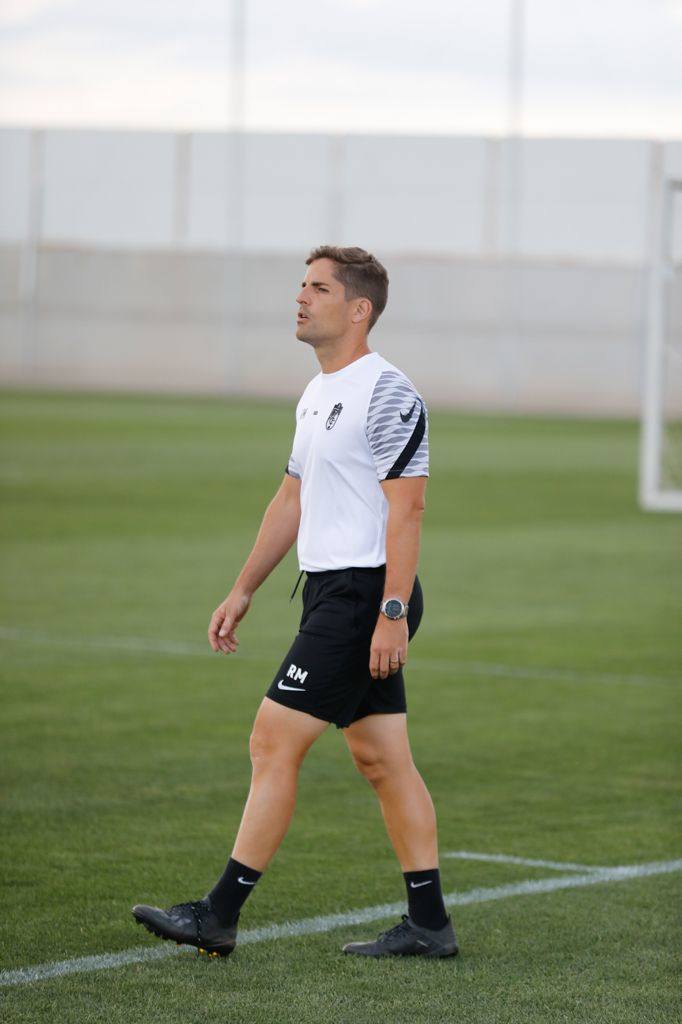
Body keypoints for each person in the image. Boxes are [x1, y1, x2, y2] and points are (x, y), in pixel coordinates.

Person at [132, 245, 458, 960]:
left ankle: (217, 915)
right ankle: (430, 925)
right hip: (328, 593)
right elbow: (293, 497)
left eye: (318, 288)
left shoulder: (388, 391)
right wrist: (243, 587)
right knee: (381, 758)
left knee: (272, 739)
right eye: (300, 285)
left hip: (367, 593)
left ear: (359, 308)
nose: (300, 298)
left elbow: (409, 511)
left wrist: (392, 613)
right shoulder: (316, 392)